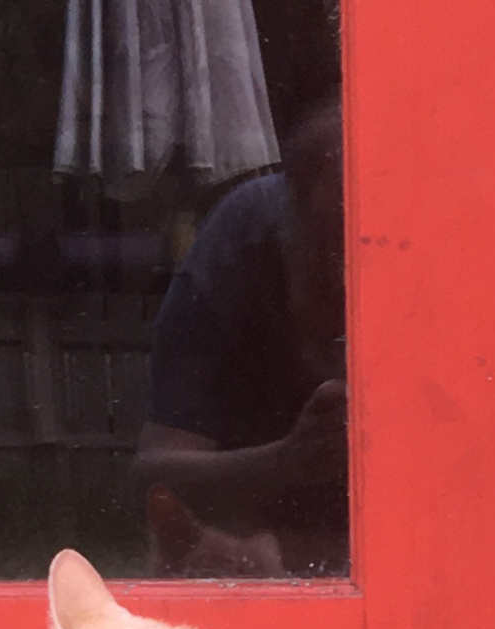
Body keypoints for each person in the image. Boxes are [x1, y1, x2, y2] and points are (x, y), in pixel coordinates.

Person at [133, 101, 347, 573]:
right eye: (329, 254)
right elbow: (155, 475)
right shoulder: (237, 247)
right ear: (290, 222)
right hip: (241, 547)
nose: (346, 280)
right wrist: (287, 461)